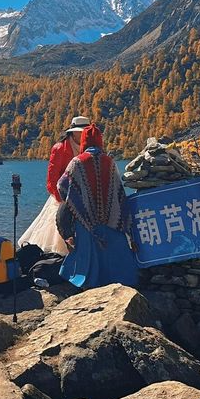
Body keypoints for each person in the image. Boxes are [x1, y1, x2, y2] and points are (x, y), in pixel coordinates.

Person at [56, 124, 138, 290]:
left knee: (87, 254)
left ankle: (88, 282)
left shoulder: (77, 162)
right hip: (111, 218)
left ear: (84, 142)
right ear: (100, 141)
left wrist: (76, 202)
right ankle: (122, 282)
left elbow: (62, 186)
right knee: (115, 252)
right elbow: (119, 192)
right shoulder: (109, 162)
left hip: (86, 220)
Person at [18, 115, 89, 254]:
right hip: (62, 198)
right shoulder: (59, 148)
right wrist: (63, 201)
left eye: (85, 131)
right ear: (72, 131)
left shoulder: (88, 148)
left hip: (83, 199)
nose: (82, 134)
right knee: (57, 235)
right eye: (79, 131)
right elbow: (51, 180)